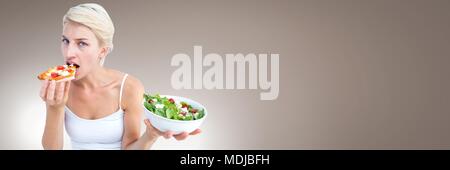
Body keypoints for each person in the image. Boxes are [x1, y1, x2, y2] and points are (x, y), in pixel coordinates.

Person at [39, 3, 201, 150]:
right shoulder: (59, 86)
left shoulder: (129, 88)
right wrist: (55, 107)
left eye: (82, 43)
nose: (69, 53)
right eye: (65, 41)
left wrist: (151, 135)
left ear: (102, 51)